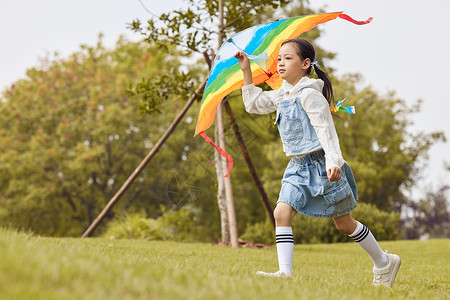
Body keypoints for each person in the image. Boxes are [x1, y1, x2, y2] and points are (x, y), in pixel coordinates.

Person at [234, 38, 401, 287]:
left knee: (344, 224)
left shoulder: (310, 95)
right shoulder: (281, 94)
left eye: (288, 58)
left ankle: (384, 262)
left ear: (305, 64)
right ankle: (285, 273)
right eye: (279, 58)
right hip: (297, 167)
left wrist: (334, 161)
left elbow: (326, 131)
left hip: (323, 166)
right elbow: (253, 104)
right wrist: (246, 70)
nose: (281, 62)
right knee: (281, 213)